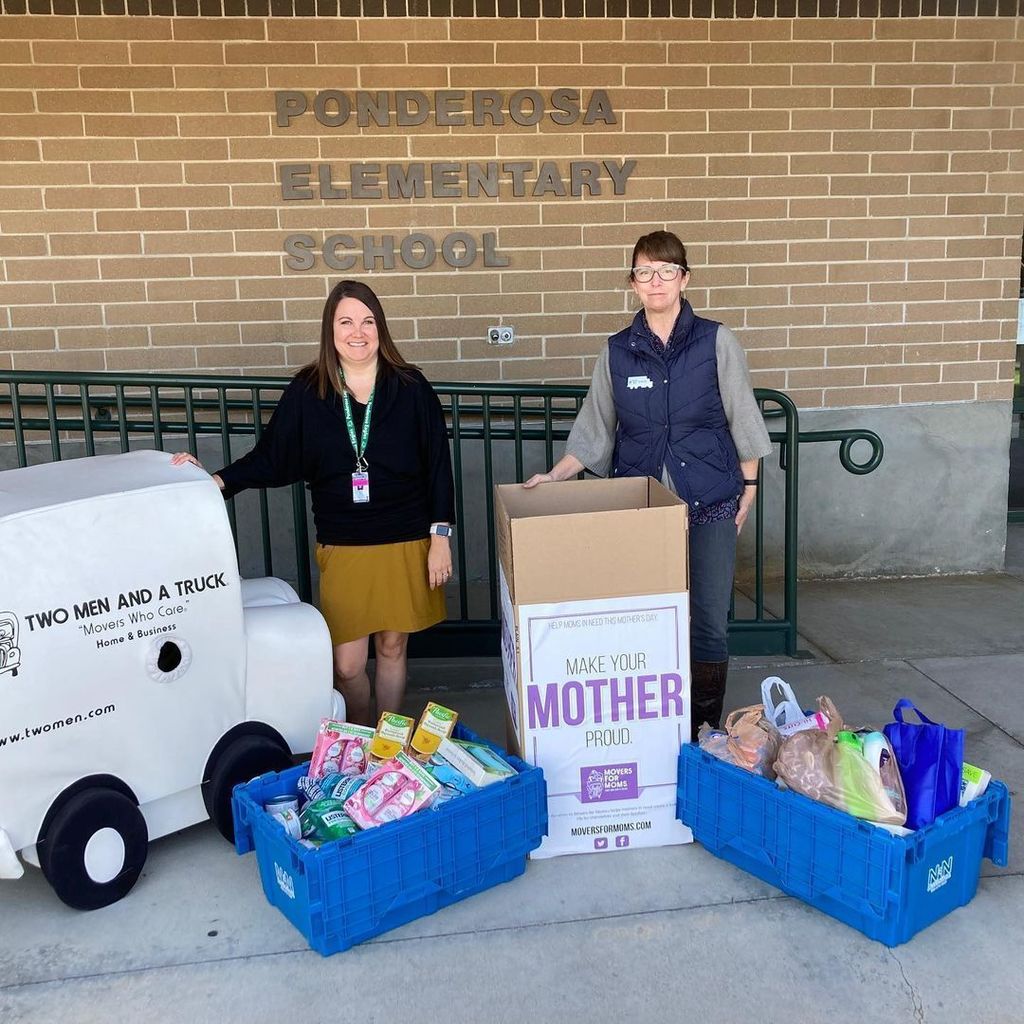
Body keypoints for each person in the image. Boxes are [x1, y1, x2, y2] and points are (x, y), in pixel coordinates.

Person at [524, 230, 772, 740]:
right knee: (641, 620)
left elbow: (742, 415)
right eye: (644, 271)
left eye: (666, 270)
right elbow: (595, 429)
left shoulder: (715, 341)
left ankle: (703, 732)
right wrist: (554, 476)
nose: (655, 280)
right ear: (632, 283)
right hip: (641, 510)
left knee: (706, 622)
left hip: (710, 501)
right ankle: (651, 727)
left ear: (684, 278)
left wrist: (749, 485)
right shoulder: (617, 352)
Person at [172, 280, 455, 726]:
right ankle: (362, 734)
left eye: (367, 321)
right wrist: (214, 481)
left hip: (405, 535)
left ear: (380, 327)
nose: (357, 332)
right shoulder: (309, 390)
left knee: (393, 647)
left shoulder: (410, 386)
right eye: (346, 321)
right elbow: (271, 458)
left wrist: (440, 536)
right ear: (331, 329)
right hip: (344, 543)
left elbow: (438, 463)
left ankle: (388, 743)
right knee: (346, 666)